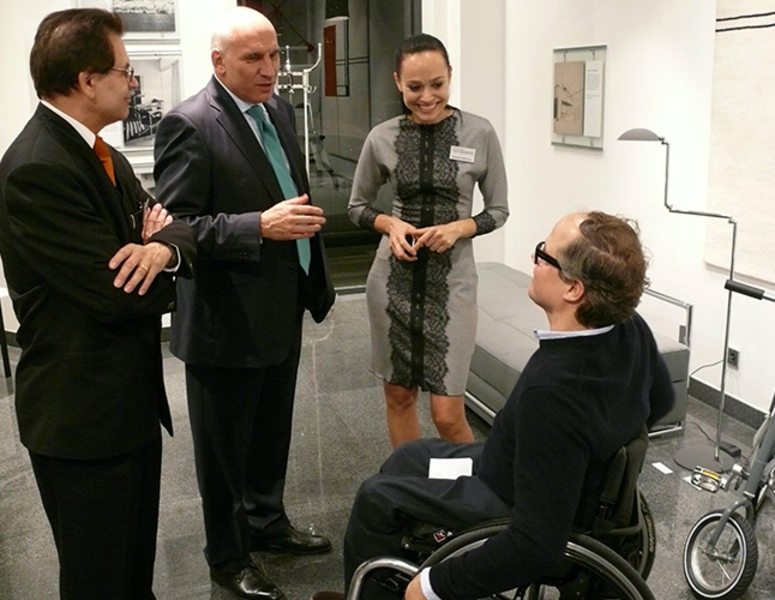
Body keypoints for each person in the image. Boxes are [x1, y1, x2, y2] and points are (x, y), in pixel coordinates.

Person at [313, 211, 675, 600]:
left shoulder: (553, 392)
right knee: (409, 456)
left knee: (377, 499)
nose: (534, 260)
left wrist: (433, 585)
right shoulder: (630, 328)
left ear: (573, 289)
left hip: (511, 494)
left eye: (544, 255)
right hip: (519, 464)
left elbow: (536, 544)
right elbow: (662, 401)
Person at [0, 9, 196, 600]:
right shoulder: (38, 167)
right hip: (82, 420)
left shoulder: (97, 152)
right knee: (99, 581)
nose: (133, 83)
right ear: (88, 80)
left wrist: (159, 249)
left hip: (124, 405)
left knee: (133, 576)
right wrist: (161, 257)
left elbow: (173, 225)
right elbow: (119, 294)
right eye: (125, 72)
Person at [153, 7, 335, 600]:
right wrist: (259, 225)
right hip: (224, 320)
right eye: (254, 58)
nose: (270, 69)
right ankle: (228, 557)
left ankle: (266, 521)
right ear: (218, 61)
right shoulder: (188, 124)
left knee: (270, 432)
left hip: (281, 304)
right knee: (224, 450)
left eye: (275, 55)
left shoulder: (277, 110)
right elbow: (177, 228)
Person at [348, 33, 510, 448]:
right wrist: (390, 224)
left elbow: (498, 210)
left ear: (450, 76)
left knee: (447, 414)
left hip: (453, 283)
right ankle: (410, 481)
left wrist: (459, 227)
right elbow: (357, 207)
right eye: (415, 87)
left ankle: (468, 486)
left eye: (437, 84)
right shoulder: (381, 137)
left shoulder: (479, 132)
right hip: (392, 282)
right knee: (399, 397)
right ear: (397, 82)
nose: (426, 97)